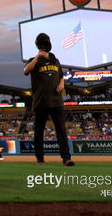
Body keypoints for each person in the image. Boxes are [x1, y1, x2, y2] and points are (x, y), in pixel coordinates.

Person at [23, 33, 74, 166]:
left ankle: (66, 158)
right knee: (39, 131)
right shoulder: (34, 60)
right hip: (40, 102)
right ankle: (40, 158)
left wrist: (62, 83)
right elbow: (25, 70)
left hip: (56, 101)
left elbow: (61, 75)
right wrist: (37, 57)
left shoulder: (55, 60)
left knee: (61, 130)